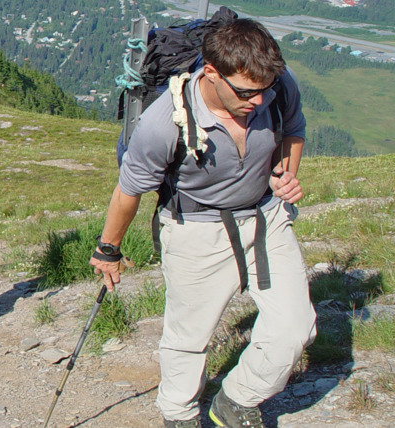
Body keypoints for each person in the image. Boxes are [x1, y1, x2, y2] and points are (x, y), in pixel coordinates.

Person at [89, 20, 315, 428]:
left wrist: (284, 174)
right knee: (189, 339)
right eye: (247, 92)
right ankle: (179, 415)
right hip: (195, 228)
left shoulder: (277, 89)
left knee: (296, 326)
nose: (259, 101)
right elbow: (128, 192)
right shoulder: (163, 124)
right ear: (210, 72)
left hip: (265, 217)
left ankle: (238, 400)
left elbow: (293, 130)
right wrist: (108, 250)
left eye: (265, 90)